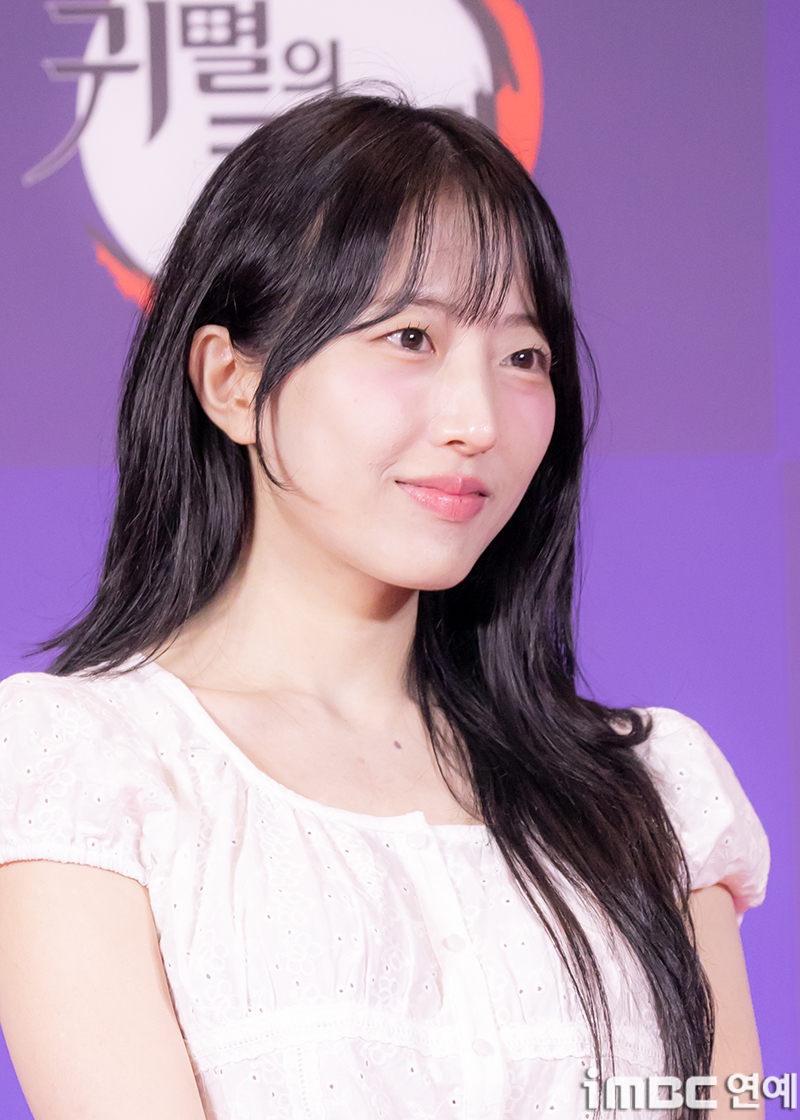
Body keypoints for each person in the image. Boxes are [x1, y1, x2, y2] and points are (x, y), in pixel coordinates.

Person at [0, 93, 768, 1120]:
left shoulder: (651, 790)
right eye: (410, 337)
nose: (476, 420)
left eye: (522, 356)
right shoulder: (87, 771)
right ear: (231, 382)